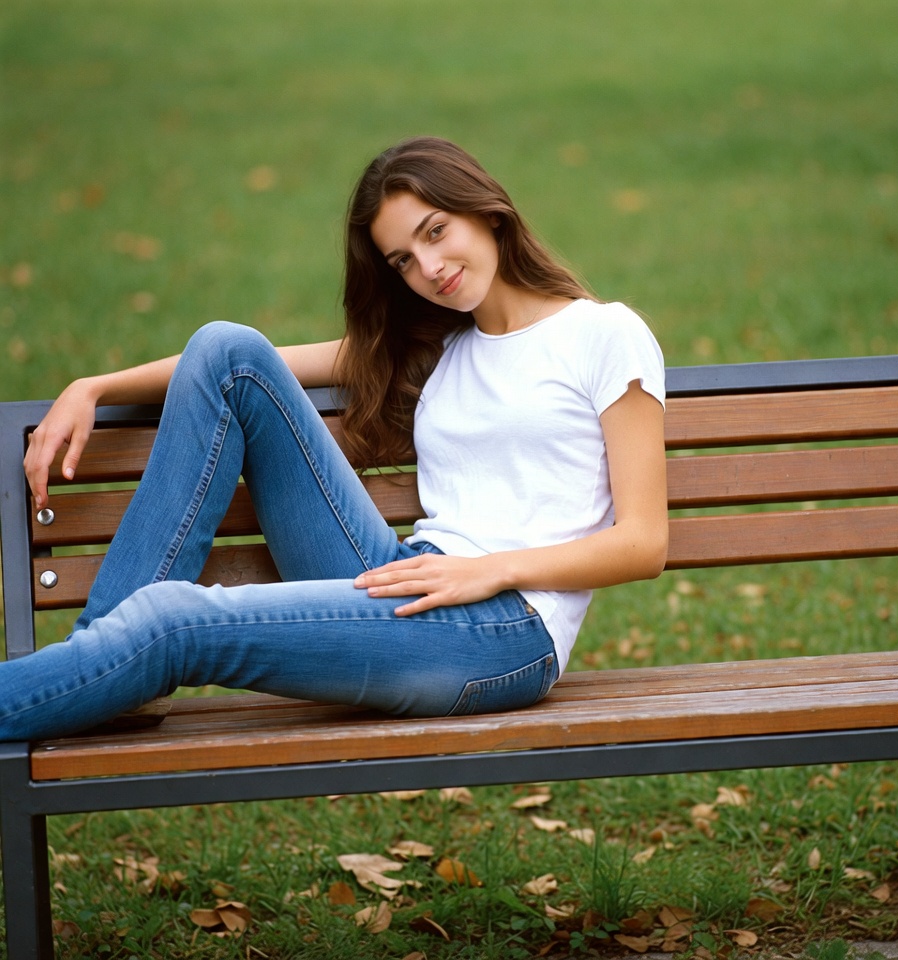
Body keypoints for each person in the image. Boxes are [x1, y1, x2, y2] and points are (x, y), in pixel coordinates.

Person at [3, 136, 668, 742]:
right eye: (405, 260)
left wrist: (491, 569)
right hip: (404, 575)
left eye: (437, 232)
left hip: (503, 629)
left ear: (487, 211)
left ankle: (88, 676)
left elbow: (643, 543)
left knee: (173, 623)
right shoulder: (438, 348)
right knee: (225, 347)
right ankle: (100, 671)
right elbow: (235, 366)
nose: (430, 267)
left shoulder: (603, 335)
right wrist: (96, 385)